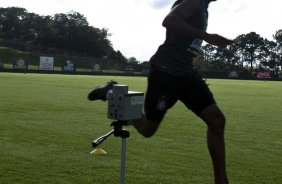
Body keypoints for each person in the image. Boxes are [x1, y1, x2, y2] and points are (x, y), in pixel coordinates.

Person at [88, 0, 233, 183]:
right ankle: (112, 93)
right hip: (166, 73)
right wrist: (207, 36)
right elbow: (169, 20)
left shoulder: (203, 6)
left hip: (188, 75)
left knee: (217, 120)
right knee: (148, 129)